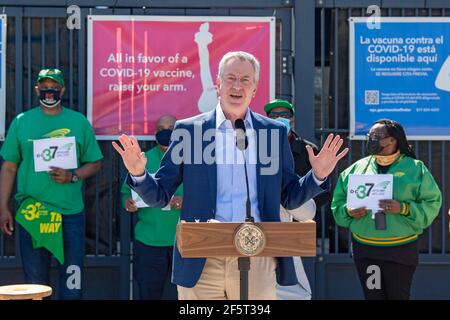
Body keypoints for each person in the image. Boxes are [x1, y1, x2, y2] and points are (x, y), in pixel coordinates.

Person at [112, 51, 348, 300]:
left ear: (255, 88)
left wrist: (317, 176)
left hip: (257, 253)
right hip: (202, 256)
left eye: (245, 80)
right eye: (231, 78)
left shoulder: (272, 134)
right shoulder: (189, 131)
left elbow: (289, 197)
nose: (237, 86)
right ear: (218, 84)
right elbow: (160, 196)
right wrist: (138, 172)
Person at [0, 68, 103, 299]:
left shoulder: (78, 122)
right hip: (33, 212)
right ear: (36, 89)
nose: (49, 91)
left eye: (54, 87)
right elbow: (9, 166)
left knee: (72, 284)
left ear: (63, 89)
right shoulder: (21, 122)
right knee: (35, 285)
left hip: (70, 214)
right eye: (44, 86)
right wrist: (3, 207)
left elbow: (95, 163)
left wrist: (73, 175)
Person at [331, 119, 442, 300]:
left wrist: (404, 208)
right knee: (372, 297)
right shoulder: (357, 169)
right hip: (366, 249)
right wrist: (348, 211)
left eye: (378, 136)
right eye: (371, 136)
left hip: (401, 249)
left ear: (394, 140)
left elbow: (432, 203)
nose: (372, 140)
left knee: (398, 296)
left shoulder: (415, 169)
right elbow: (338, 204)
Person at [264, 98, 330, 299]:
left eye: (284, 115)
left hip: (298, 225)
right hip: (265, 223)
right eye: (274, 116)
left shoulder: (308, 149)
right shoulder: (256, 146)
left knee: (293, 282)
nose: (280, 119)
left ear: (292, 119)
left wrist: (302, 208)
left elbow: (323, 190)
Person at [121, 115, 182, 300]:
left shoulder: (191, 159)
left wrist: (186, 200)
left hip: (183, 242)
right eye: (161, 128)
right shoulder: (142, 159)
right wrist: (127, 203)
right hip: (148, 242)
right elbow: (126, 192)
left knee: (187, 296)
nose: (166, 131)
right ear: (155, 134)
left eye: (171, 127)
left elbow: (207, 192)